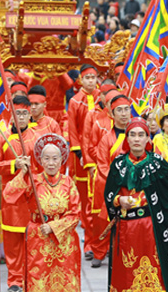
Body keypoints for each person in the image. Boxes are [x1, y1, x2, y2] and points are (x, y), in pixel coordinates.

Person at [104, 118, 168, 291]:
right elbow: (109, 194)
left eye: (141, 135)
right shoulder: (118, 165)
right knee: (127, 275)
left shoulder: (158, 164)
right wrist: (118, 200)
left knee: (155, 271)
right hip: (126, 229)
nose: (137, 139)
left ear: (148, 139)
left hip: (151, 228)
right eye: (132, 135)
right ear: (127, 139)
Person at [3, 134, 81, 291]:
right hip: (38, 238)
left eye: (55, 159)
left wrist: (54, 226)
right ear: (40, 160)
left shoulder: (68, 183)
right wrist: (23, 173)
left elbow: (75, 214)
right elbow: (8, 195)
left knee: (65, 279)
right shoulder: (33, 180)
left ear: (61, 160)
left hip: (64, 240)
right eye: (46, 159)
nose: (51, 163)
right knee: (38, 280)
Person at [0, 95, 39, 292]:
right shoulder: (1, 137)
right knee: (12, 243)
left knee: (33, 240)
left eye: (24, 113)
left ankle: (33, 277)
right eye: (17, 113)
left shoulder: (36, 137)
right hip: (11, 198)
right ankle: (15, 281)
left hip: (33, 196)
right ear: (11, 114)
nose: (21, 117)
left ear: (30, 115)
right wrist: (13, 164)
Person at [91, 93, 132, 268]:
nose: (123, 114)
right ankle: (99, 251)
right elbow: (102, 165)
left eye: (126, 110)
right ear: (112, 115)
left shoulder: (136, 135)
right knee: (104, 220)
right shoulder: (107, 139)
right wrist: (117, 184)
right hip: (109, 186)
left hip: (132, 187)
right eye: (119, 110)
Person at [66, 63, 100, 261]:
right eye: (87, 77)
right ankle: (89, 243)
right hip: (81, 158)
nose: (90, 81)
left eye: (93, 77)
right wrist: (79, 153)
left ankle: (101, 240)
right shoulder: (75, 102)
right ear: (80, 80)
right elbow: (72, 130)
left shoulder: (101, 98)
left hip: (101, 154)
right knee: (86, 200)